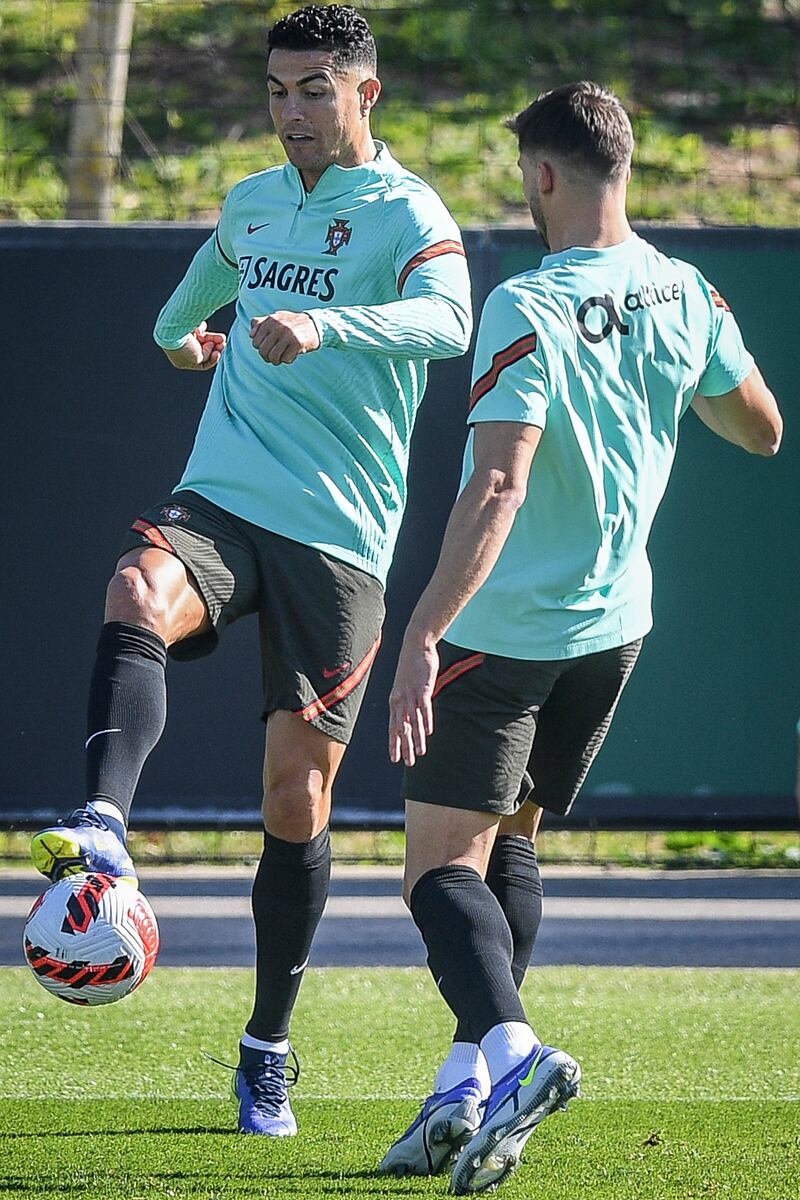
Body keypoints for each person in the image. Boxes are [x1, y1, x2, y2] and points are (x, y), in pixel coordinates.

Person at [30, 4, 471, 1138]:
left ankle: (266, 1046)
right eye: (277, 91)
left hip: (339, 533)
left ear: (364, 94)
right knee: (136, 585)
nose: (291, 114)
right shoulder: (250, 202)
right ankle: (104, 822)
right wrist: (192, 344)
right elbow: (178, 321)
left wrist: (327, 330)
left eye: (314, 90)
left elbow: (447, 319)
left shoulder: (407, 209)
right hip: (224, 493)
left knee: (295, 799)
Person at [379, 81, 782, 1193]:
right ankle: (459, 1098)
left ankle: (513, 1056)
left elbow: (497, 488)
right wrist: (670, 368)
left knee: (431, 869)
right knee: (511, 841)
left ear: (543, 175)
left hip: (503, 631)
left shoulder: (525, 305)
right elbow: (759, 429)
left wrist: (422, 629)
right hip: (611, 631)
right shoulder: (685, 289)